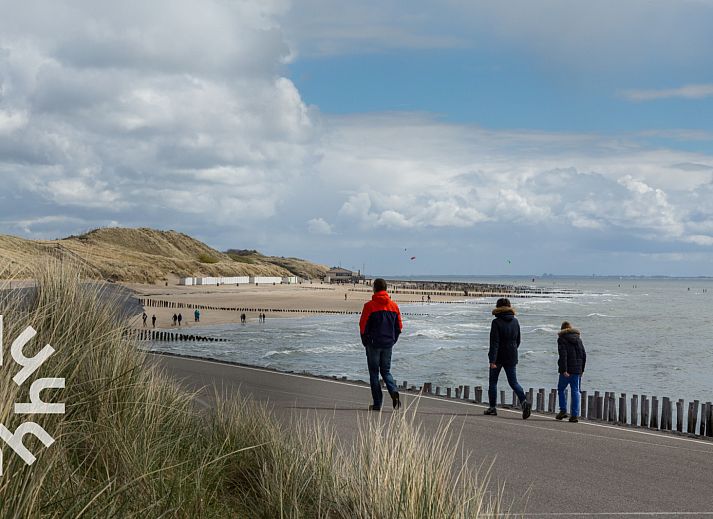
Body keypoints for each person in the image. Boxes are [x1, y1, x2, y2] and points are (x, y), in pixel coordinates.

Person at [359, 278, 402, 411]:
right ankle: (393, 391)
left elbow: (362, 326)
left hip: (373, 344)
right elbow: (399, 327)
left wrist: (365, 341)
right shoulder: (394, 306)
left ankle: (377, 404)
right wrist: (392, 341)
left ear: (374, 289)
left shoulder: (369, 306)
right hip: (387, 344)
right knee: (386, 371)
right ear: (386, 289)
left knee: (374, 373)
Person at [484, 298, 531, 419]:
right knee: (513, 382)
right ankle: (524, 402)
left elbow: (494, 343)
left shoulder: (496, 322)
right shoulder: (515, 321)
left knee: (493, 382)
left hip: (498, 357)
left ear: (498, 308)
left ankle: (493, 407)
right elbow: (518, 340)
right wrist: (513, 350)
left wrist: (492, 360)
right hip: (512, 355)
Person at [556, 321, 587, 423]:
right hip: (577, 370)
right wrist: (582, 369)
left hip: (567, 370)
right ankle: (574, 415)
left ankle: (563, 410)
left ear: (562, 329)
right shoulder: (578, 339)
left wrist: (564, 370)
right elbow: (583, 354)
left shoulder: (562, 339)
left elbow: (563, 355)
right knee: (575, 391)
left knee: (561, 389)